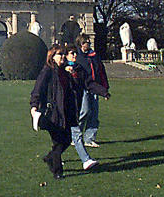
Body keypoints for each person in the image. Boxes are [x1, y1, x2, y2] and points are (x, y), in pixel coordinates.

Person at [30, 46, 81, 179]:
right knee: (58, 142)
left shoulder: (64, 72)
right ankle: (57, 171)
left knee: (67, 139)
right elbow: (38, 89)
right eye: (60, 55)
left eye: (63, 55)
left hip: (65, 111)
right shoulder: (48, 70)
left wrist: (73, 75)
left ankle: (49, 157)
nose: (63, 57)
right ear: (52, 56)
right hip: (52, 112)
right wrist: (34, 106)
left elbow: (73, 88)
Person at [65, 46, 110, 170]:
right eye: (71, 53)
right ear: (66, 55)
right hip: (62, 107)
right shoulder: (59, 69)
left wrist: (103, 92)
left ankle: (86, 160)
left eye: (75, 53)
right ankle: (55, 157)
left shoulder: (79, 69)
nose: (74, 55)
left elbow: (89, 83)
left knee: (75, 134)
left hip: (73, 107)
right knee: (62, 138)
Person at [74, 34, 109, 147]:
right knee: (84, 111)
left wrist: (104, 88)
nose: (88, 44)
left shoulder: (94, 56)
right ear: (81, 44)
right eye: (86, 42)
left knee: (94, 114)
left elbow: (101, 72)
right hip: (83, 87)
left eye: (88, 42)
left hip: (95, 87)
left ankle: (89, 138)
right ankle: (75, 136)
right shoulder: (78, 57)